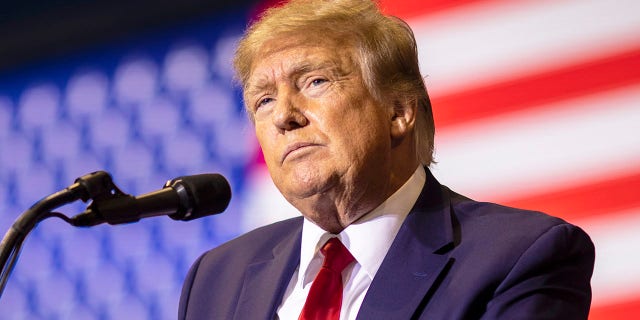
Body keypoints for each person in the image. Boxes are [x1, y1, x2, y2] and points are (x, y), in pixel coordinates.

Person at [178, 0, 595, 319]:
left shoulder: (518, 257)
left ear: (398, 111)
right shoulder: (216, 280)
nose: (285, 116)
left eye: (315, 81)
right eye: (264, 100)